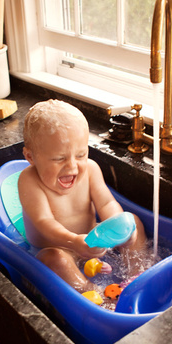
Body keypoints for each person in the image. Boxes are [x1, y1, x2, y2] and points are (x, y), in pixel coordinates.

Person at [18, 99, 147, 292]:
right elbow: (44, 222)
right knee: (54, 259)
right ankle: (94, 295)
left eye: (80, 155)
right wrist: (74, 242)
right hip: (60, 248)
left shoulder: (91, 170)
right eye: (59, 158)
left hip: (91, 239)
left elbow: (106, 203)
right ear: (30, 157)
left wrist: (120, 228)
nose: (72, 166)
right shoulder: (29, 180)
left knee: (134, 222)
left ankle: (137, 275)